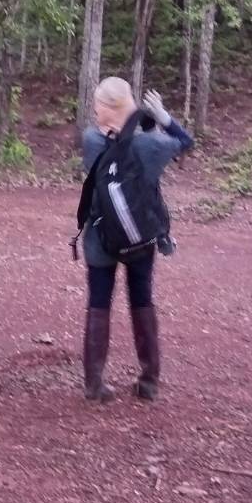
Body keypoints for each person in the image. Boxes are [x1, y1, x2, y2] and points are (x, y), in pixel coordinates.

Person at [78, 77, 193, 403]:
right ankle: (149, 381)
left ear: (109, 108)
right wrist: (163, 118)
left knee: (99, 302)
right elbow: (185, 142)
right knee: (142, 299)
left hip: (100, 237)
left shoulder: (91, 140)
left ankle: (94, 385)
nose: (94, 110)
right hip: (140, 237)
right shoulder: (150, 145)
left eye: (97, 105)